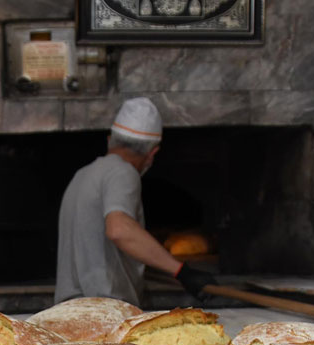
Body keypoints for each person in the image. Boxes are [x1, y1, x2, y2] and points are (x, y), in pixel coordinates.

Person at [54, 97, 208, 306]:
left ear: (110, 140)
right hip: (103, 309)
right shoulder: (123, 172)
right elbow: (119, 229)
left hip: (71, 308)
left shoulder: (82, 174)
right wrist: (181, 271)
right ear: (152, 154)